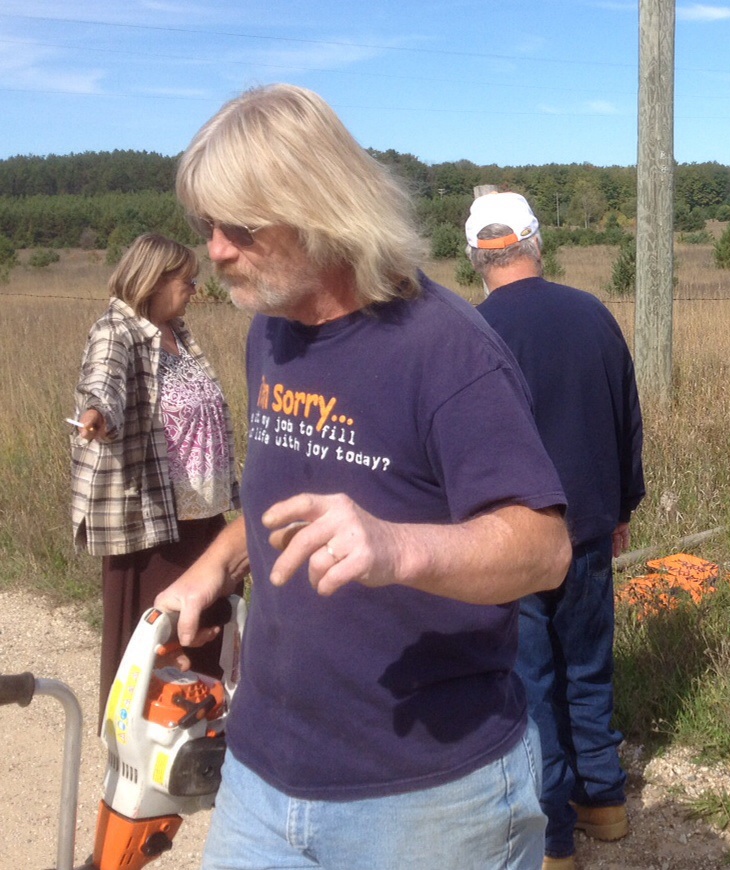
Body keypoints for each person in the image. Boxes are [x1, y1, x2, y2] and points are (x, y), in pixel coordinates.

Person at [155, 84, 571, 870]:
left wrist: (395, 548)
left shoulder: (445, 348)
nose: (215, 250)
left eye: (240, 227)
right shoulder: (270, 333)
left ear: (321, 211)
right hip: (260, 777)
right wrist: (211, 568)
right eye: (207, 226)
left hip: (427, 798)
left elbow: (544, 547)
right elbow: (280, 499)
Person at [467, 191, 645, 870]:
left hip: (510, 540)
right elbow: (626, 415)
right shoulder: (593, 315)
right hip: (590, 526)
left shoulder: (472, 331)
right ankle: (605, 805)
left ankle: (552, 843)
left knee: (531, 682)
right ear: (537, 242)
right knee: (590, 668)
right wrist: (623, 506)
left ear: (476, 257)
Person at [70, 232, 240, 724]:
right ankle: (136, 771)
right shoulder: (117, 330)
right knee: (152, 650)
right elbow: (104, 380)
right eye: (186, 280)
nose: (194, 288)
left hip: (204, 515)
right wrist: (98, 412)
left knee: (208, 636)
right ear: (154, 279)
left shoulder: (180, 333)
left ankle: (196, 753)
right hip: (153, 518)